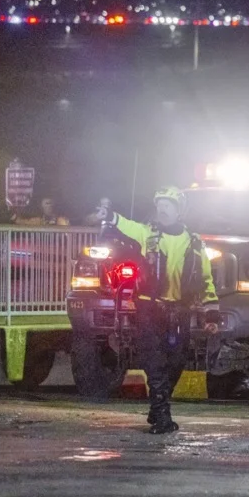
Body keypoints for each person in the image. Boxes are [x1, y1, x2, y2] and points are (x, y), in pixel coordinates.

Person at [96, 186, 217, 434]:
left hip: (180, 311)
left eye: (168, 205)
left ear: (179, 210)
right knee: (155, 362)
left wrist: (211, 313)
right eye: (159, 205)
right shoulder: (147, 233)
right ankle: (162, 417)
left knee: (177, 362)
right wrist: (110, 216)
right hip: (149, 308)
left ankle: (157, 406)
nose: (162, 209)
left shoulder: (194, 243)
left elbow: (206, 279)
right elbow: (126, 225)